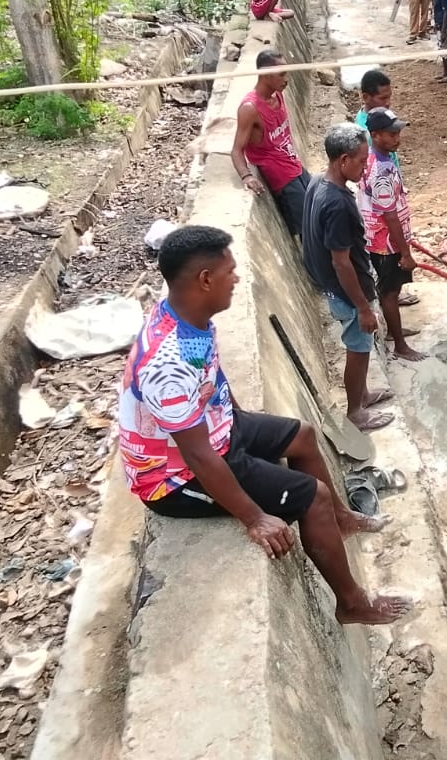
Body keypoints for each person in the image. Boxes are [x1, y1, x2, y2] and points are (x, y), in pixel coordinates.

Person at [118, 225, 412, 625]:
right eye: (229, 272)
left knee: (304, 436)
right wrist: (254, 517)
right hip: (176, 478)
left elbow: (212, 377)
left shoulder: (189, 314)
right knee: (314, 496)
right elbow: (198, 457)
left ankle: (341, 520)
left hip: (215, 428)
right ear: (205, 281)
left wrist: (239, 419)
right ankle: (352, 603)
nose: (237, 278)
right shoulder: (166, 364)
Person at [301, 126, 395, 432]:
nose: (366, 166)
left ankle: (363, 394)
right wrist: (363, 307)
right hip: (347, 292)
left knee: (361, 347)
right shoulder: (338, 204)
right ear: (343, 160)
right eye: (361, 160)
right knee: (358, 349)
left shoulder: (318, 182)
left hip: (335, 287)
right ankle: (356, 412)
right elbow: (341, 262)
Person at [359, 108, 425, 362]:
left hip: (381, 238)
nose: (398, 138)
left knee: (391, 290)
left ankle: (395, 332)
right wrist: (405, 252)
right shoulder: (382, 172)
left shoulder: (374, 160)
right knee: (390, 292)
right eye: (391, 134)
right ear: (375, 135)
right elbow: (389, 216)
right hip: (386, 244)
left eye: (398, 132)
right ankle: (400, 344)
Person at [231, 49, 309, 237]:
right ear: (265, 75)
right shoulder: (250, 109)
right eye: (281, 74)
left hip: (295, 166)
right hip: (283, 180)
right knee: (307, 231)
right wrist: (246, 176)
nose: (286, 79)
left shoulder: (278, 95)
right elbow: (236, 150)